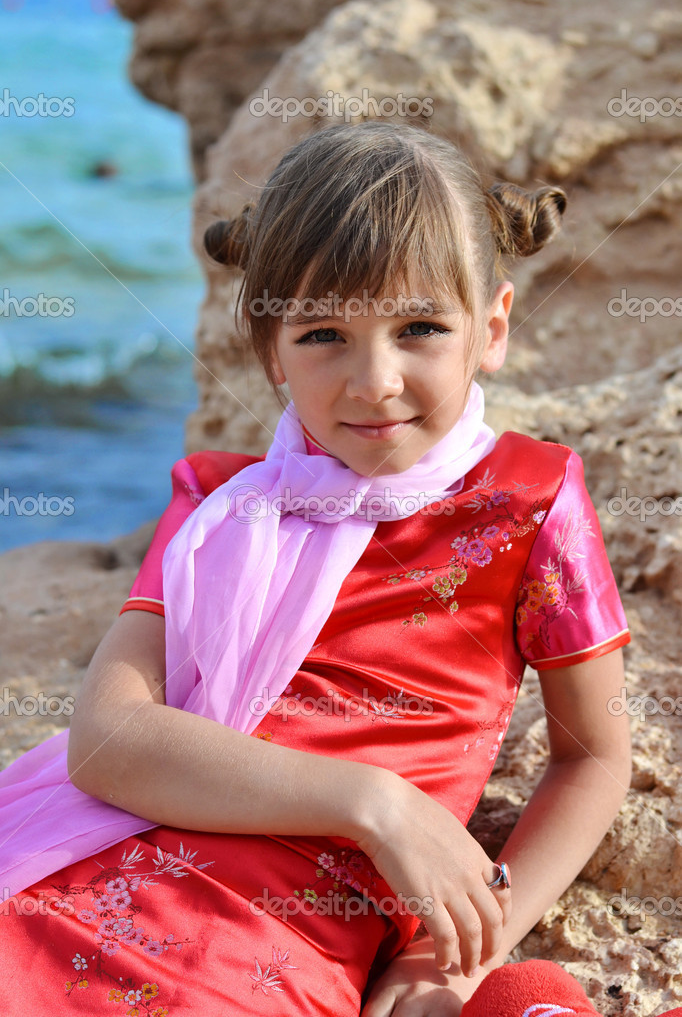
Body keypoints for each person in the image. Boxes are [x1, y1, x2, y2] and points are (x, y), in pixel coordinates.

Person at [0, 120, 660, 1016]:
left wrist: (454, 955)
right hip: (93, 880)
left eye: (420, 326)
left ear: (493, 326)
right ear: (271, 348)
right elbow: (108, 739)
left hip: (278, 946)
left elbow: (593, 757)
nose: (374, 379)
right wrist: (374, 802)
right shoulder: (218, 508)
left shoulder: (530, 502)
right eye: (323, 335)